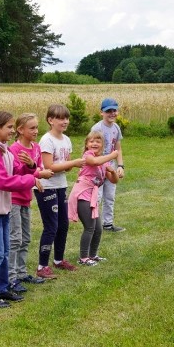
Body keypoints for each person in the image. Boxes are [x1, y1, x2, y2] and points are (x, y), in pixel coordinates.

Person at [0, 111, 42, 308]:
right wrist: (32, 179)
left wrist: (30, 167)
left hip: (3, 208)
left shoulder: (5, 150)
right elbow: (2, 181)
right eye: (9, 127)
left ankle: (3, 288)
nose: (13, 131)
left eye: (13, 127)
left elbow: (15, 171)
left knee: (4, 252)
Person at [35, 104, 85, 279]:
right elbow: (49, 167)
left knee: (63, 224)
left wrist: (71, 164)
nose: (65, 121)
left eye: (67, 118)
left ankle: (58, 260)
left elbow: (66, 167)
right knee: (51, 226)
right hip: (46, 186)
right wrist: (72, 163)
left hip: (61, 185)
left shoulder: (66, 140)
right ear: (50, 120)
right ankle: (42, 266)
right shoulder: (46, 140)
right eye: (61, 118)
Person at [8, 113, 53, 292]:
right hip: (13, 199)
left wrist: (34, 168)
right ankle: (11, 278)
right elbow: (15, 174)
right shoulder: (14, 149)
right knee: (15, 238)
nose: (36, 131)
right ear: (20, 130)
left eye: (36, 127)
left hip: (26, 198)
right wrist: (35, 173)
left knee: (25, 238)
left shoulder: (35, 147)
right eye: (32, 128)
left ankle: (21, 272)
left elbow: (39, 168)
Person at [68, 131, 119, 265]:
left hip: (92, 196)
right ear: (86, 144)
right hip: (82, 194)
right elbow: (94, 162)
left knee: (98, 228)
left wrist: (113, 171)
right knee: (90, 227)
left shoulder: (102, 161)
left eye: (98, 141)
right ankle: (83, 258)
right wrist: (112, 156)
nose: (94, 143)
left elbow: (114, 181)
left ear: (102, 145)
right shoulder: (87, 156)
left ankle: (93, 255)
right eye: (91, 141)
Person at [90, 98, 126, 232]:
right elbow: (92, 150)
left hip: (111, 167)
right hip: (98, 168)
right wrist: (100, 166)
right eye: (108, 111)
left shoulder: (116, 128)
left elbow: (118, 149)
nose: (112, 113)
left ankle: (108, 224)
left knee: (110, 196)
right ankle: (93, 224)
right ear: (102, 113)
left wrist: (120, 166)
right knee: (97, 197)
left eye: (114, 110)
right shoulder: (97, 128)